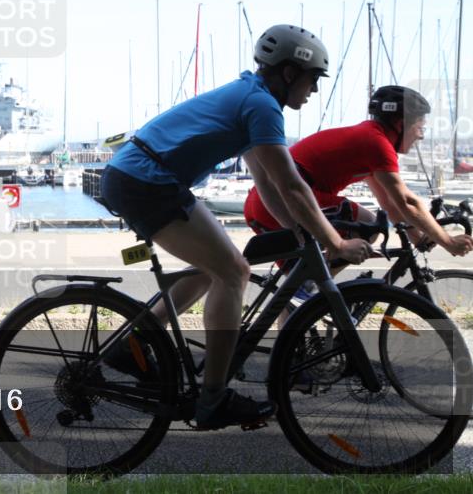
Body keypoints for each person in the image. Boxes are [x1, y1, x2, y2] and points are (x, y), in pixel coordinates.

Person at [100, 24, 372, 430]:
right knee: (233, 272)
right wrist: (334, 241)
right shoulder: (261, 105)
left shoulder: (252, 96)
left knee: (215, 268)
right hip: (146, 182)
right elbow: (292, 184)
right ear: (289, 73)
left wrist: (296, 231)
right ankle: (213, 399)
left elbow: (267, 183)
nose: (315, 89)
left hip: (145, 178)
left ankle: (135, 342)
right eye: (313, 78)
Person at [244, 85, 473, 297]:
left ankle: (307, 296)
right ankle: (314, 288)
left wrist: (418, 238)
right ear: (401, 124)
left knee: (296, 294)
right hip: (282, 200)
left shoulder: (369, 138)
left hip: (264, 202)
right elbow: (407, 201)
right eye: (420, 127)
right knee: (367, 225)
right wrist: (447, 241)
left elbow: (390, 204)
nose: (421, 135)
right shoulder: (377, 143)